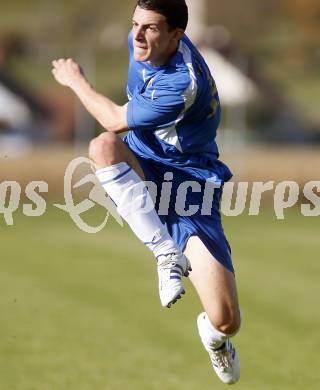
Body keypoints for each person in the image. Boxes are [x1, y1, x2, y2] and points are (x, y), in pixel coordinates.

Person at [52, 0, 241, 384]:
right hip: (142, 160)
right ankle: (165, 254)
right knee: (102, 147)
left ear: (176, 35)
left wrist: (75, 81)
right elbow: (113, 132)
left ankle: (215, 340)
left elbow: (113, 118)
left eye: (150, 28)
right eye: (135, 23)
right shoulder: (141, 42)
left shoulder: (182, 82)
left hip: (190, 186)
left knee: (226, 320)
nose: (137, 35)